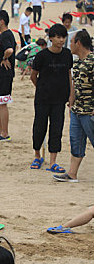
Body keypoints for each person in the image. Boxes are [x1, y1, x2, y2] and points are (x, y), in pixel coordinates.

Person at [29, 24, 73, 173]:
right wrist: (41, 88)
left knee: (56, 129)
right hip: (42, 98)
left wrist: (70, 94)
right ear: (51, 38)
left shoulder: (67, 54)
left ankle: (53, 161)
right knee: (39, 127)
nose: (61, 40)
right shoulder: (42, 56)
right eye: (58, 37)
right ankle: (37, 156)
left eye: (63, 37)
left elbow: (68, 75)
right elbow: (33, 76)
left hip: (59, 99)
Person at [53, 30, 94, 182]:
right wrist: (71, 102)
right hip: (77, 109)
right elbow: (74, 84)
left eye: (71, 41)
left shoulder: (92, 61)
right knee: (75, 141)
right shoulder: (76, 63)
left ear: (78, 43)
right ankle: (72, 173)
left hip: (90, 110)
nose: (69, 44)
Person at [0, 10, 15, 142]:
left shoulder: (6, 35)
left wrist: (5, 58)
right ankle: (0, 130)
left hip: (4, 74)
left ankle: (4, 133)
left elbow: (10, 50)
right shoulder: (4, 35)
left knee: (2, 103)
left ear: (1, 21)